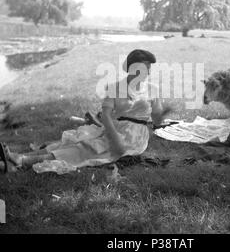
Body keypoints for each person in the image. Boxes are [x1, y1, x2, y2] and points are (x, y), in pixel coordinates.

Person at [3, 49, 172, 170]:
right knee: (76, 140)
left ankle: (23, 160)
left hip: (133, 136)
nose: (147, 72)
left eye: (149, 68)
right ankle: (17, 158)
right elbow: (105, 115)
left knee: (86, 149)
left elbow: (156, 121)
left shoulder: (152, 88)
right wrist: (113, 136)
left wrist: (162, 114)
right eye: (143, 68)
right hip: (113, 128)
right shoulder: (115, 87)